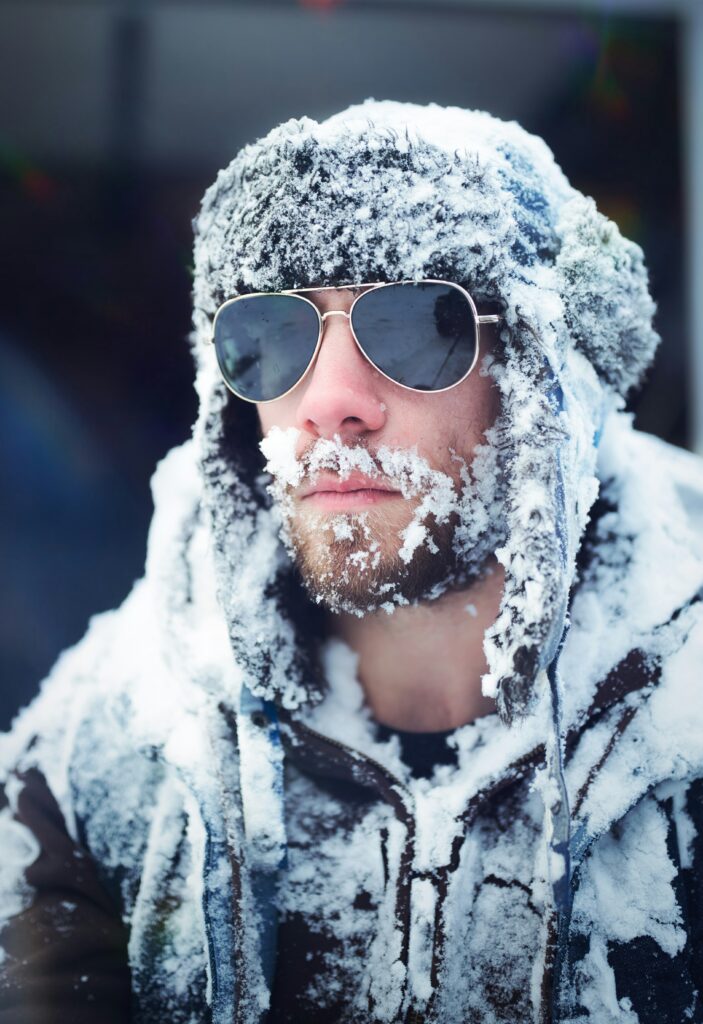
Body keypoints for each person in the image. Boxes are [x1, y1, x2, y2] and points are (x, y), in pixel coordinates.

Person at [1, 99, 702, 1024]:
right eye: (277, 334)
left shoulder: (679, 740)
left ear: (545, 380)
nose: (328, 401)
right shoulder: (104, 763)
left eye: (420, 325)